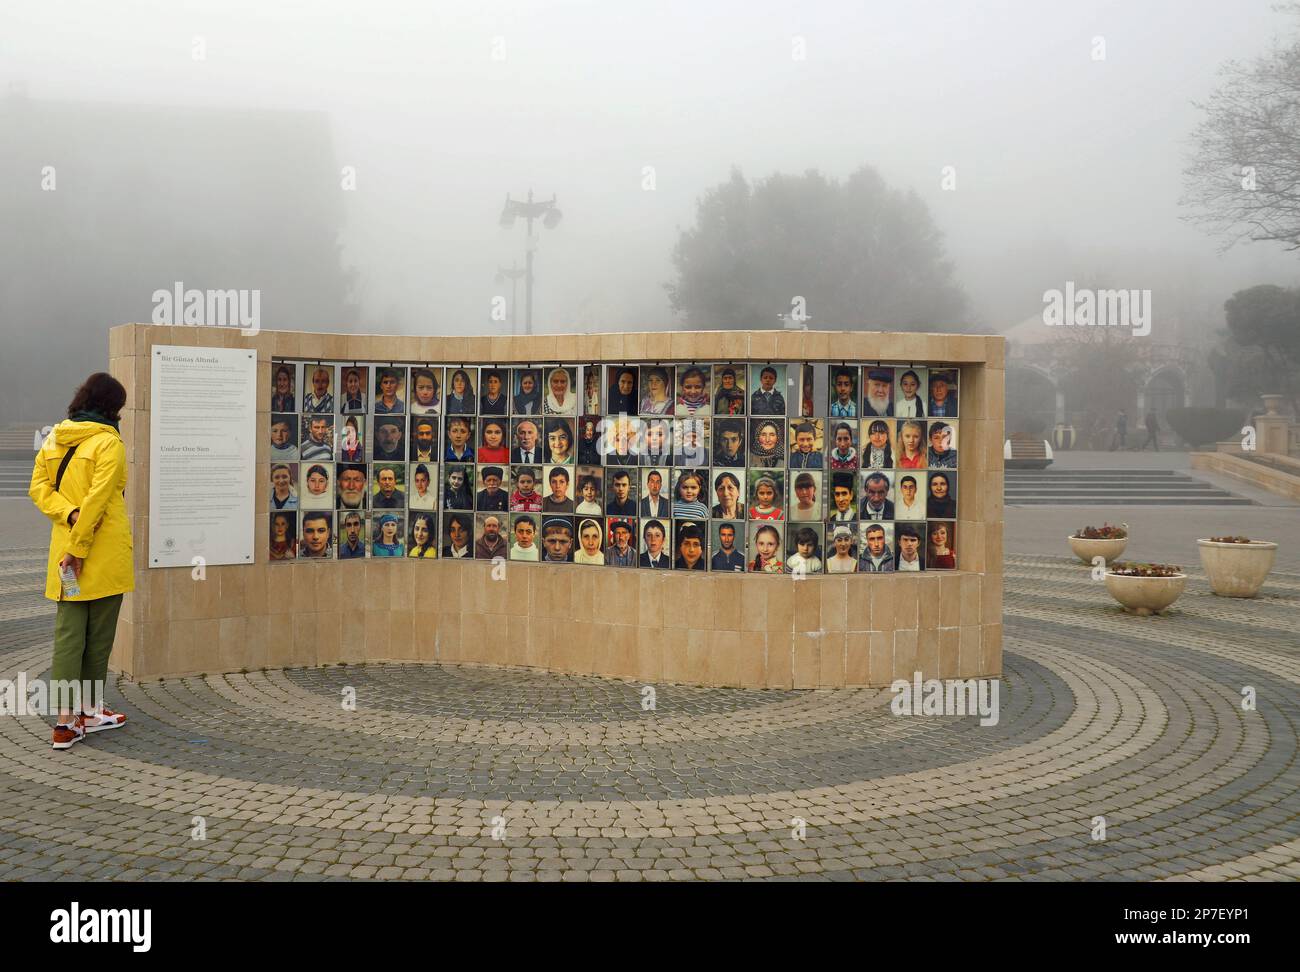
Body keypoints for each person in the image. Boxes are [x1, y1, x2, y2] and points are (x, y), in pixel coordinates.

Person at [30, 373, 133, 748]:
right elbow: (99, 502)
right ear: (112, 407)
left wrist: (67, 514)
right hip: (100, 557)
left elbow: (38, 489)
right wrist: (80, 546)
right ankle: (88, 711)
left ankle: (65, 721)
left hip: (66, 559)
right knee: (98, 639)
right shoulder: (109, 443)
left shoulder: (55, 437)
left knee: (70, 638)